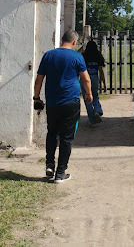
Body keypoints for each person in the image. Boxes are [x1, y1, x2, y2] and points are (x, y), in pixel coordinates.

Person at [33, 29, 93, 184]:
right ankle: (60, 173)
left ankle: (49, 165)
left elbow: (39, 79)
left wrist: (36, 98)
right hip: (71, 103)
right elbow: (86, 79)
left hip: (53, 103)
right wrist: (89, 94)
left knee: (52, 132)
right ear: (74, 42)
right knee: (67, 137)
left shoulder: (48, 55)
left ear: (61, 40)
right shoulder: (77, 56)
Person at [81, 40, 106, 126]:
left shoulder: (83, 57)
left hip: (84, 79)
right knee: (95, 95)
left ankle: (92, 120)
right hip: (95, 78)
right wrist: (104, 83)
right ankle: (98, 110)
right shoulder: (97, 56)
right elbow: (101, 72)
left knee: (87, 98)